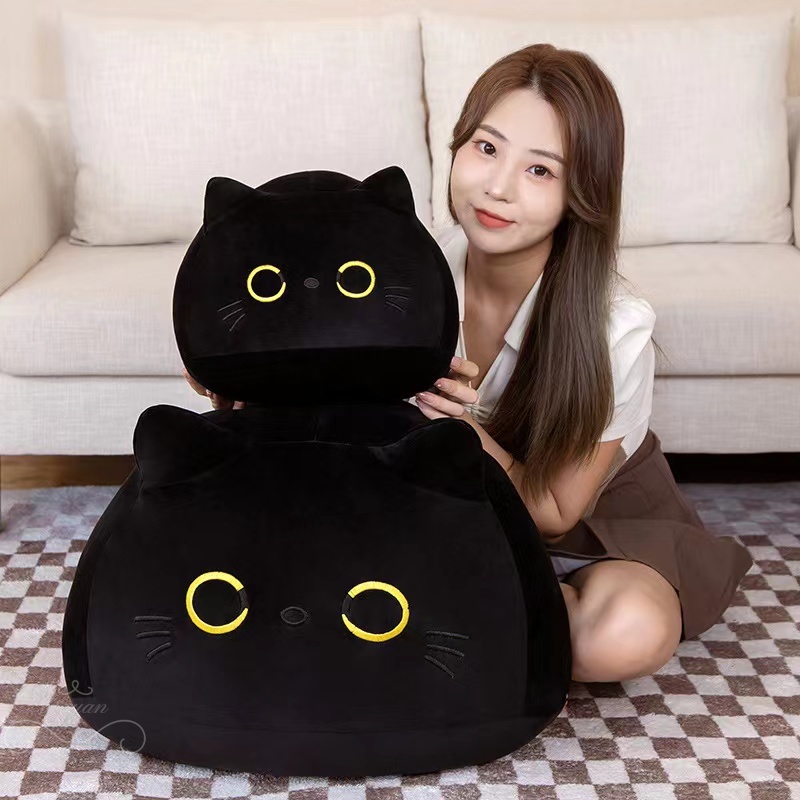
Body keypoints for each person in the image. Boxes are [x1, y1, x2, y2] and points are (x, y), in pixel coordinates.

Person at [184, 43, 753, 684]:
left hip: (588, 528)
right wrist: (239, 386)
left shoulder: (615, 325)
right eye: (486, 148)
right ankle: (478, 613)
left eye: (540, 170)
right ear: (456, 148)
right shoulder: (402, 270)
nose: (498, 187)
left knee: (624, 636)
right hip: (439, 508)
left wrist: (465, 431)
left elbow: (555, 512)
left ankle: (469, 608)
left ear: (582, 193)